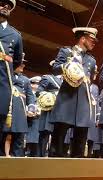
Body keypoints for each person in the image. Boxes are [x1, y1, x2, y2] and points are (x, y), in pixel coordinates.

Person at [49, 27, 98, 158]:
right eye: (91, 40)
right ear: (82, 38)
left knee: (80, 141)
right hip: (67, 98)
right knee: (59, 137)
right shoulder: (67, 51)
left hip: (83, 101)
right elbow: (55, 69)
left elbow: (90, 79)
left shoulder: (92, 60)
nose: (94, 43)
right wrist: (68, 65)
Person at [1, 57, 36, 157]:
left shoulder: (25, 80)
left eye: (23, 63)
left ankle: (17, 158)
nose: (23, 65)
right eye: (20, 63)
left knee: (19, 138)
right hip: (7, 110)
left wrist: (31, 108)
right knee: (4, 135)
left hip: (20, 113)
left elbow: (30, 96)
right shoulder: (5, 75)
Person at [0, 0, 23, 148]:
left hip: (1, 86)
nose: (6, 6)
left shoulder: (15, 35)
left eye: (9, 5)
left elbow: (16, 62)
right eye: (2, 2)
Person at [36, 60, 62, 157]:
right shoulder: (48, 78)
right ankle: (40, 157)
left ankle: (53, 158)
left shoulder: (66, 81)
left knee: (57, 136)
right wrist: (51, 96)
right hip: (49, 110)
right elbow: (39, 92)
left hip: (60, 111)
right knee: (44, 135)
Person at [25, 76, 41, 157]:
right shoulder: (27, 94)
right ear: (31, 85)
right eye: (36, 83)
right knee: (28, 140)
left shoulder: (40, 95)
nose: (38, 86)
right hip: (28, 120)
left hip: (38, 120)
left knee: (36, 141)